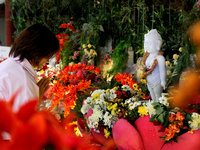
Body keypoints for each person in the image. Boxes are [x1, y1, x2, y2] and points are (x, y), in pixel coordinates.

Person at [0, 24, 59, 112]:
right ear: (37, 52)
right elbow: (24, 121)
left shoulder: (7, 65)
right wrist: (34, 97)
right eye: (47, 57)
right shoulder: (23, 79)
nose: (47, 62)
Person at [142, 29, 166, 102]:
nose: (147, 46)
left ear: (158, 44)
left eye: (149, 43)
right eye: (146, 44)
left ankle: (159, 111)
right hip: (149, 81)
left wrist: (163, 81)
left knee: (157, 96)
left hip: (157, 81)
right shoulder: (147, 57)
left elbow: (162, 71)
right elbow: (145, 67)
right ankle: (153, 110)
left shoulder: (160, 58)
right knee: (153, 97)